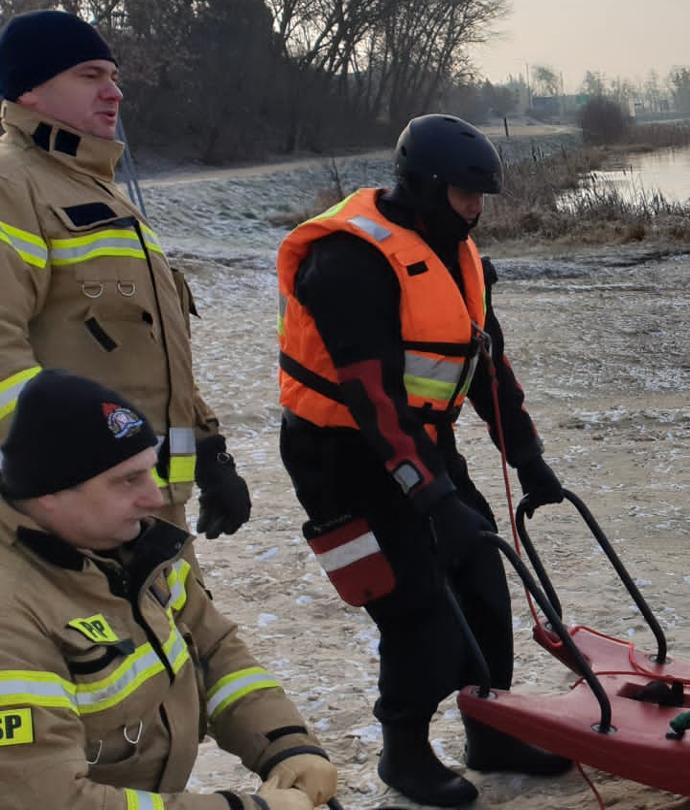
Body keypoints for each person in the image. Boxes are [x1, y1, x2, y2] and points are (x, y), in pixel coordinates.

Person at [276, 113, 570, 806]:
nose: (476, 208)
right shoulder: (348, 263)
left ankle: (490, 729)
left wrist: (526, 458)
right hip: (341, 454)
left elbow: (486, 368)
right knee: (416, 605)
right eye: (466, 194)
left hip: (418, 442)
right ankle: (402, 752)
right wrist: (431, 499)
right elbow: (373, 399)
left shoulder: (455, 251)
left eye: (480, 196)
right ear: (427, 187)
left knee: (482, 584)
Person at [0, 370, 335, 810]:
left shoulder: (137, 551)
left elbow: (215, 652)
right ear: (51, 494)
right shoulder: (12, 613)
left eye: (150, 472)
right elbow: (50, 800)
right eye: (127, 480)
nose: (155, 498)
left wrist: (286, 743)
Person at [0, 9, 251, 542]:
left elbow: (146, 339)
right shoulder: (11, 185)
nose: (114, 92)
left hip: (148, 506)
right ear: (29, 91)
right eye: (89, 76)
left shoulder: (101, 190)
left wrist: (209, 449)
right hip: (79, 512)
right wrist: (63, 479)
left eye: (113, 77)